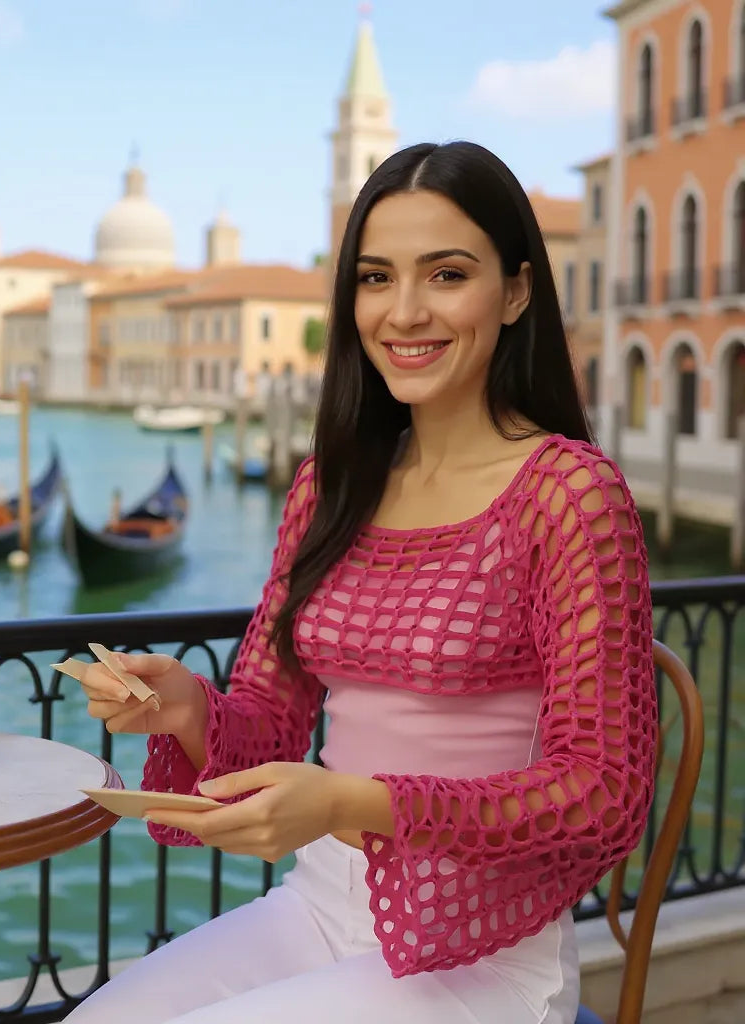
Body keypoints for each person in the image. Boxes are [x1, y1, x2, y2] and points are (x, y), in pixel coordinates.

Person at [67, 140, 658, 1024]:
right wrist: (187, 705)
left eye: (447, 274)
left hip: (484, 955)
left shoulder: (569, 493)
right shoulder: (328, 488)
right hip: (319, 907)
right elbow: (268, 722)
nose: (405, 312)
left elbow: (604, 791)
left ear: (517, 291)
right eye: (376, 278)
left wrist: (359, 801)